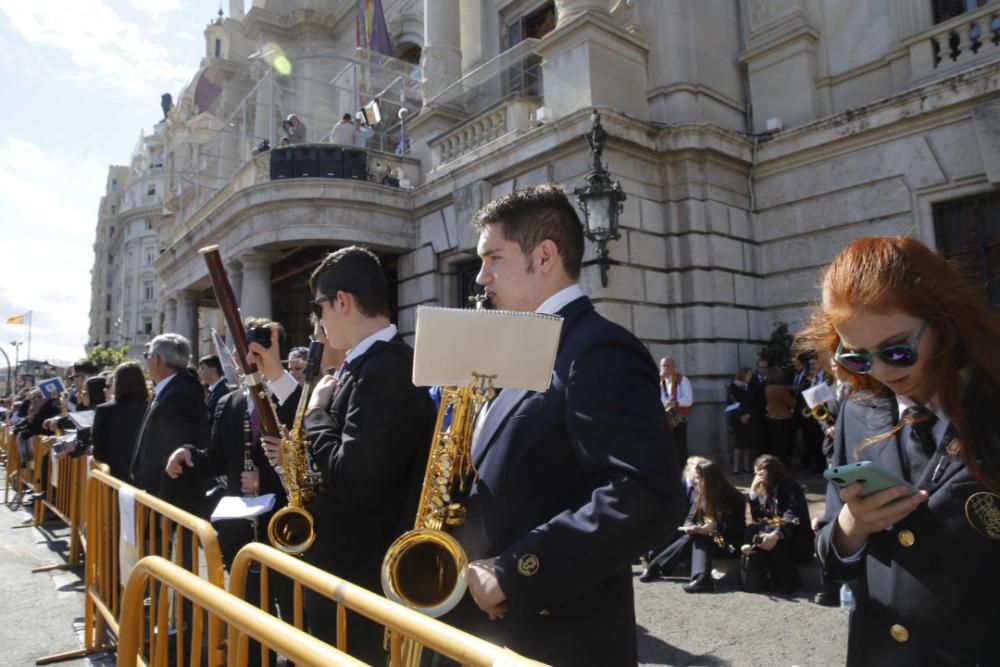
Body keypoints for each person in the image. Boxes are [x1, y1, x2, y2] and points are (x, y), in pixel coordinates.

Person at [444, 184, 682, 666]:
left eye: (494, 259)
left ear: (546, 255)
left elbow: (644, 494)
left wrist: (516, 571)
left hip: (560, 640)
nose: (482, 277)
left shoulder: (598, 349)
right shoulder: (526, 347)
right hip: (498, 633)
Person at [799, 236, 1000, 666]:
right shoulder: (859, 407)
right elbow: (831, 547)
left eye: (898, 350)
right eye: (856, 358)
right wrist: (850, 528)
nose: (883, 372)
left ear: (944, 320)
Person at [259, 246, 436, 664]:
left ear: (343, 301)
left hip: (360, 582)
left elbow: (353, 476)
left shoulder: (386, 369)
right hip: (342, 573)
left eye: (318, 306)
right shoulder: (363, 367)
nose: (317, 320)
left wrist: (318, 412)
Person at [129, 333, 210, 515]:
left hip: (165, 501)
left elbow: (174, 452)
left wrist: (162, 509)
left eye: (147, 356)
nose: (146, 362)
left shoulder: (178, 394)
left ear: (157, 360)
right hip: (157, 496)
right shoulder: (170, 389)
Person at [639, 459, 746, 592]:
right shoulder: (701, 495)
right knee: (696, 535)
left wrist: (716, 526)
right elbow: (690, 518)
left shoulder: (736, 498)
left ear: (710, 480)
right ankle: (699, 578)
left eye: (698, 478)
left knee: (702, 537)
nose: (696, 482)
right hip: (708, 538)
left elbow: (738, 529)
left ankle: (658, 566)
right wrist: (690, 527)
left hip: (728, 544)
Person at [740, 454, 812, 594]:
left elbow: (792, 517)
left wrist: (776, 534)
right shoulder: (766, 489)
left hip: (798, 540)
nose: (758, 478)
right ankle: (757, 576)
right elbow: (758, 518)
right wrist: (753, 494)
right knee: (751, 530)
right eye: (756, 475)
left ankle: (790, 580)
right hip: (776, 533)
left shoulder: (791, 488)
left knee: (774, 539)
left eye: (761, 474)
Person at [92, 361, 148, 481]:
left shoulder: (104, 410)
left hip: (113, 477)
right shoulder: (150, 408)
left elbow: (99, 452)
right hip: (144, 479)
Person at [659, 356, 693, 466]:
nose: (666, 368)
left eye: (669, 365)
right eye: (664, 365)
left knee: (680, 449)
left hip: (677, 420)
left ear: (674, 367)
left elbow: (689, 400)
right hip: (661, 419)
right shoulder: (657, 381)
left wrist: (676, 403)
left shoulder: (682, 380)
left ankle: (682, 474)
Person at [764, 366, 796, 467]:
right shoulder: (781, 389)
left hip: (771, 418)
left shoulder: (767, 388)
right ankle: (785, 468)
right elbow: (792, 403)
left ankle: (776, 467)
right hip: (783, 419)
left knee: (775, 446)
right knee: (784, 447)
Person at [727, 367, 754, 474]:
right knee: (738, 444)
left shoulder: (751, 386)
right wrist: (741, 416)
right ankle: (736, 468)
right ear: (743, 375)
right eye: (748, 374)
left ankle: (746, 466)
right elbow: (731, 403)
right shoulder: (734, 387)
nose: (750, 376)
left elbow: (754, 402)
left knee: (747, 444)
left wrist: (749, 415)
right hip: (737, 419)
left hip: (749, 417)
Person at [747, 357, 769, 455]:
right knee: (758, 440)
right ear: (757, 368)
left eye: (765, 367)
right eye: (761, 367)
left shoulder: (771, 379)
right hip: (756, 415)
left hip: (769, 414)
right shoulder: (752, 380)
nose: (763, 369)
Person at [198, 355, 228, 423]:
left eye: (202, 368)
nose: (198, 372)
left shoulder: (224, 390)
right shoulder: (212, 390)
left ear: (213, 369)